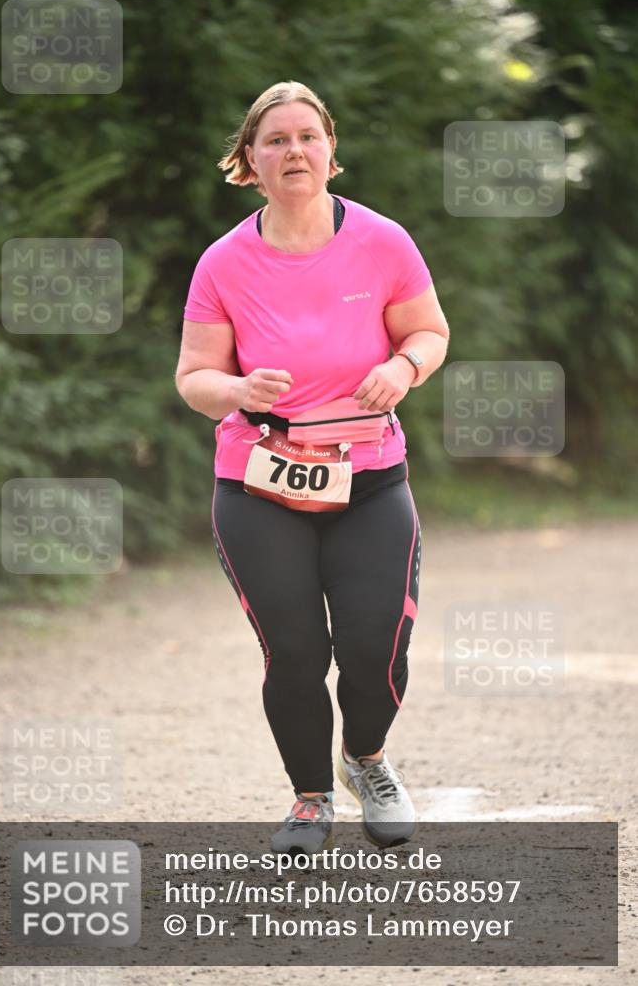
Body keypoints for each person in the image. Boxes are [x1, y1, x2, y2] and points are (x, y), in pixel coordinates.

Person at [175, 80, 449, 855]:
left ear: (330, 151)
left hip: (368, 476)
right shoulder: (224, 262)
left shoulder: (382, 241)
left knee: (375, 645)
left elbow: (428, 331)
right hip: (259, 481)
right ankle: (308, 800)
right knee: (294, 651)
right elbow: (194, 378)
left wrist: (403, 369)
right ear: (249, 164)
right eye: (275, 141)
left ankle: (366, 760)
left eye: (307, 137)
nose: (293, 150)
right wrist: (235, 388)